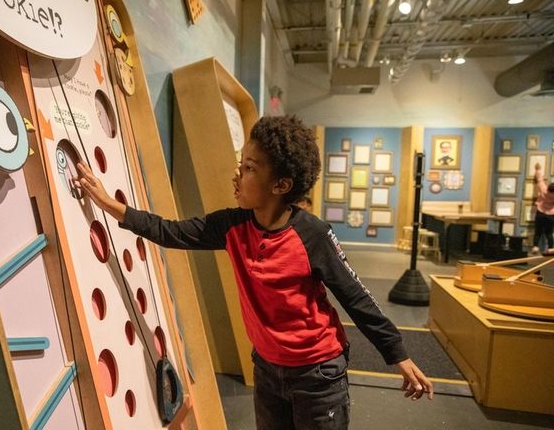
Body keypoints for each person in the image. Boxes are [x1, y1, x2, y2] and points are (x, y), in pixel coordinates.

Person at [76, 116, 433, 430]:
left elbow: (355, 295)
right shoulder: (231, 226)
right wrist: (110, 204)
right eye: (241, 164)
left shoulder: (313, 235)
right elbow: (170, 231)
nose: (237, 175)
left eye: (249, 168)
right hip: (267, 368)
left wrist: (397, 354)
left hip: (318, 374)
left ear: (281, 186)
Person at [531, 162, 554, 254]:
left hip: (540, 212)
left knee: (538, 231)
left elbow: (540, 179)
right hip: (551, 215)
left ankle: (535, 247)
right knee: (549, 232)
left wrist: (538, 169)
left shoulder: (544, 189)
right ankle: (551, 248)